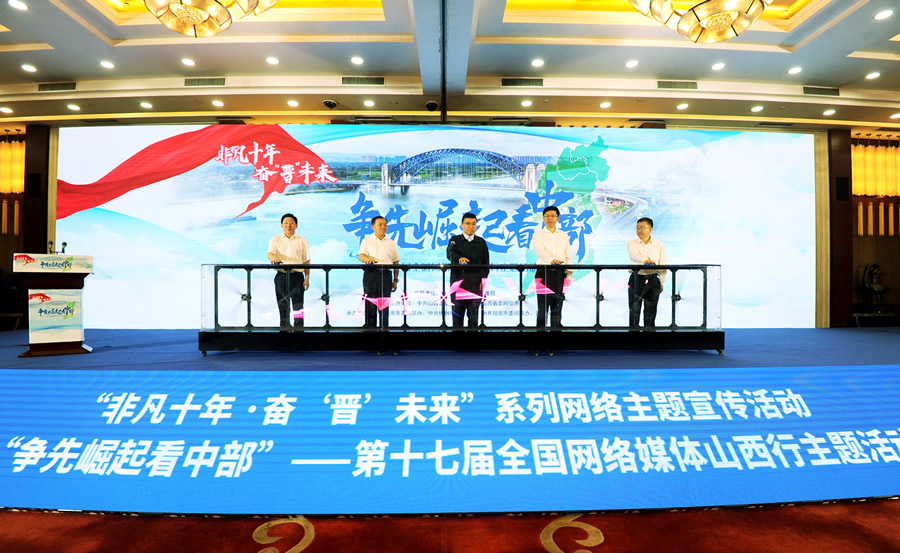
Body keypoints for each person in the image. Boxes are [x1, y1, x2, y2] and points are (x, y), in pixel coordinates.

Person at [446, 212, 490, 328]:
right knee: (457, 319)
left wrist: (483, 282)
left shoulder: (481, 242)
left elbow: (486, 264)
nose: (471, 226)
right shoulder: (455, 240)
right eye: (468, 223)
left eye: (474, 224)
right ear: (462, 225)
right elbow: (450, 254)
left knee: (473, 319)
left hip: (475, 285)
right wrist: (458, 259)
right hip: (458, 284)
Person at [532, 206, 572, 329]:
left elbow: (568, 256)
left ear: (557, 218)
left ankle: (555, 336)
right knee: (542, 309)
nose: (550, 218)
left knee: (557, 309)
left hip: (559, 274)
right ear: (543, 218)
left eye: (553, 216)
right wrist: (552, 261)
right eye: (547, 216)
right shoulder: (538, 235)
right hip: (543, 273)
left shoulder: (564, 235)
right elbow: (540, 252)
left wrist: (569, 275)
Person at [267, 213, 310, 329]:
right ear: (281, 225)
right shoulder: (275, 239)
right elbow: (270, 253)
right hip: (281, 276)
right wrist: (274, 258)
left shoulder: (303, 241)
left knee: (298, 307)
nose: (288, 225)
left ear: (296, 225)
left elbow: (306, 261)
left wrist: (307, 278)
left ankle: (299, 331)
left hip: (297, 277)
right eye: (286, 223)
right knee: (283, 306)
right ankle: (284, 331)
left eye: (291, 223)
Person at [358, 215, 400, 328]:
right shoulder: (366, 241)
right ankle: (370, 329)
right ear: (373, 227)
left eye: (385, 225)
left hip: (386, 275)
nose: (383, 227)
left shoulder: (391, 243)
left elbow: (396, 262)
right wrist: (368, 259)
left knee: (384, 306)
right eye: (380, 225)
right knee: (370, 304)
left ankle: (384, 330)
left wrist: (395, 280)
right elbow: (361, 255)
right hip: (371, 274)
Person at [627, 216, 668, 328]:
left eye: (642, 228)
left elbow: (663, 262)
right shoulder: (632, 243)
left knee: (651, 312)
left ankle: (649, 334)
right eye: (637, 228)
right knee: (634, 311)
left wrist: (662, 281)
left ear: (650, 229)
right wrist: (645, 261)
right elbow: (634, 255)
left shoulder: (658, 244)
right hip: (637, 278)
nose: (639, 230)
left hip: (653, 279)